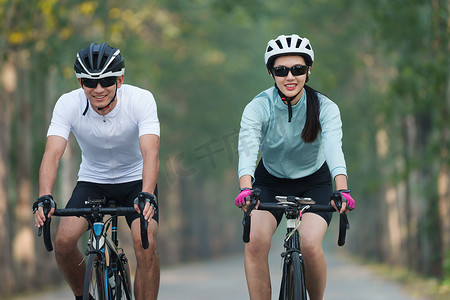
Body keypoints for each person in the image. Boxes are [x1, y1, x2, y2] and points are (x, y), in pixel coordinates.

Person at [32, 42, 160, 300]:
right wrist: (45, 195)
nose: (99, 89)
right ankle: (85, 296)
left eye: (107, 81)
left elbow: (151, 152)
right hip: (93, 181)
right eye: (90, 82)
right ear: (81, 83)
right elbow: (52, 154)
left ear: (120, 80)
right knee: (64, 242)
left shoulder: (141, 99)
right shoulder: (67, 104)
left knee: (144, 241)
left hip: (136, 180)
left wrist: (147, 193)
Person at [235, 34, 356, 300]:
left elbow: (335, 148)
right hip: (269, 181)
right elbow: (247, 147)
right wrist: (246, 187)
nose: (290, 77)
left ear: (308, 70)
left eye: (298, 69)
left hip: (315, 181)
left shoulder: (325, 107)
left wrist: (342, 190)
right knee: (255, 243)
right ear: (271, 73)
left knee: (311, 245)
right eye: (281, 70)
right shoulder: (259, 106)